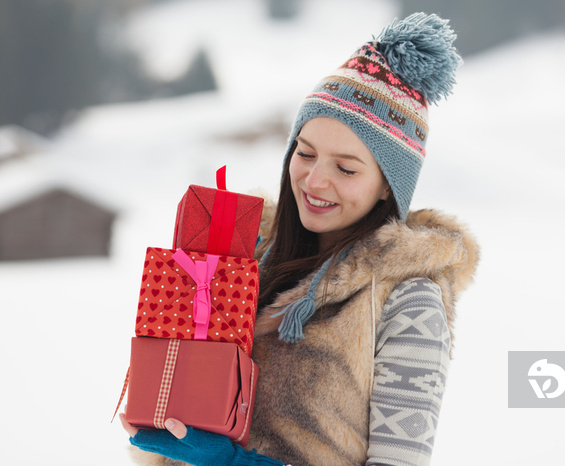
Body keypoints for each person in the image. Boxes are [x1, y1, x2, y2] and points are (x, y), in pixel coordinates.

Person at [121, 12, 479, 466]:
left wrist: (231, 463)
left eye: (346, 169)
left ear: (389, 185)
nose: (314, 180)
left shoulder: (409, 303)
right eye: (305, 153)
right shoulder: (245, 259)